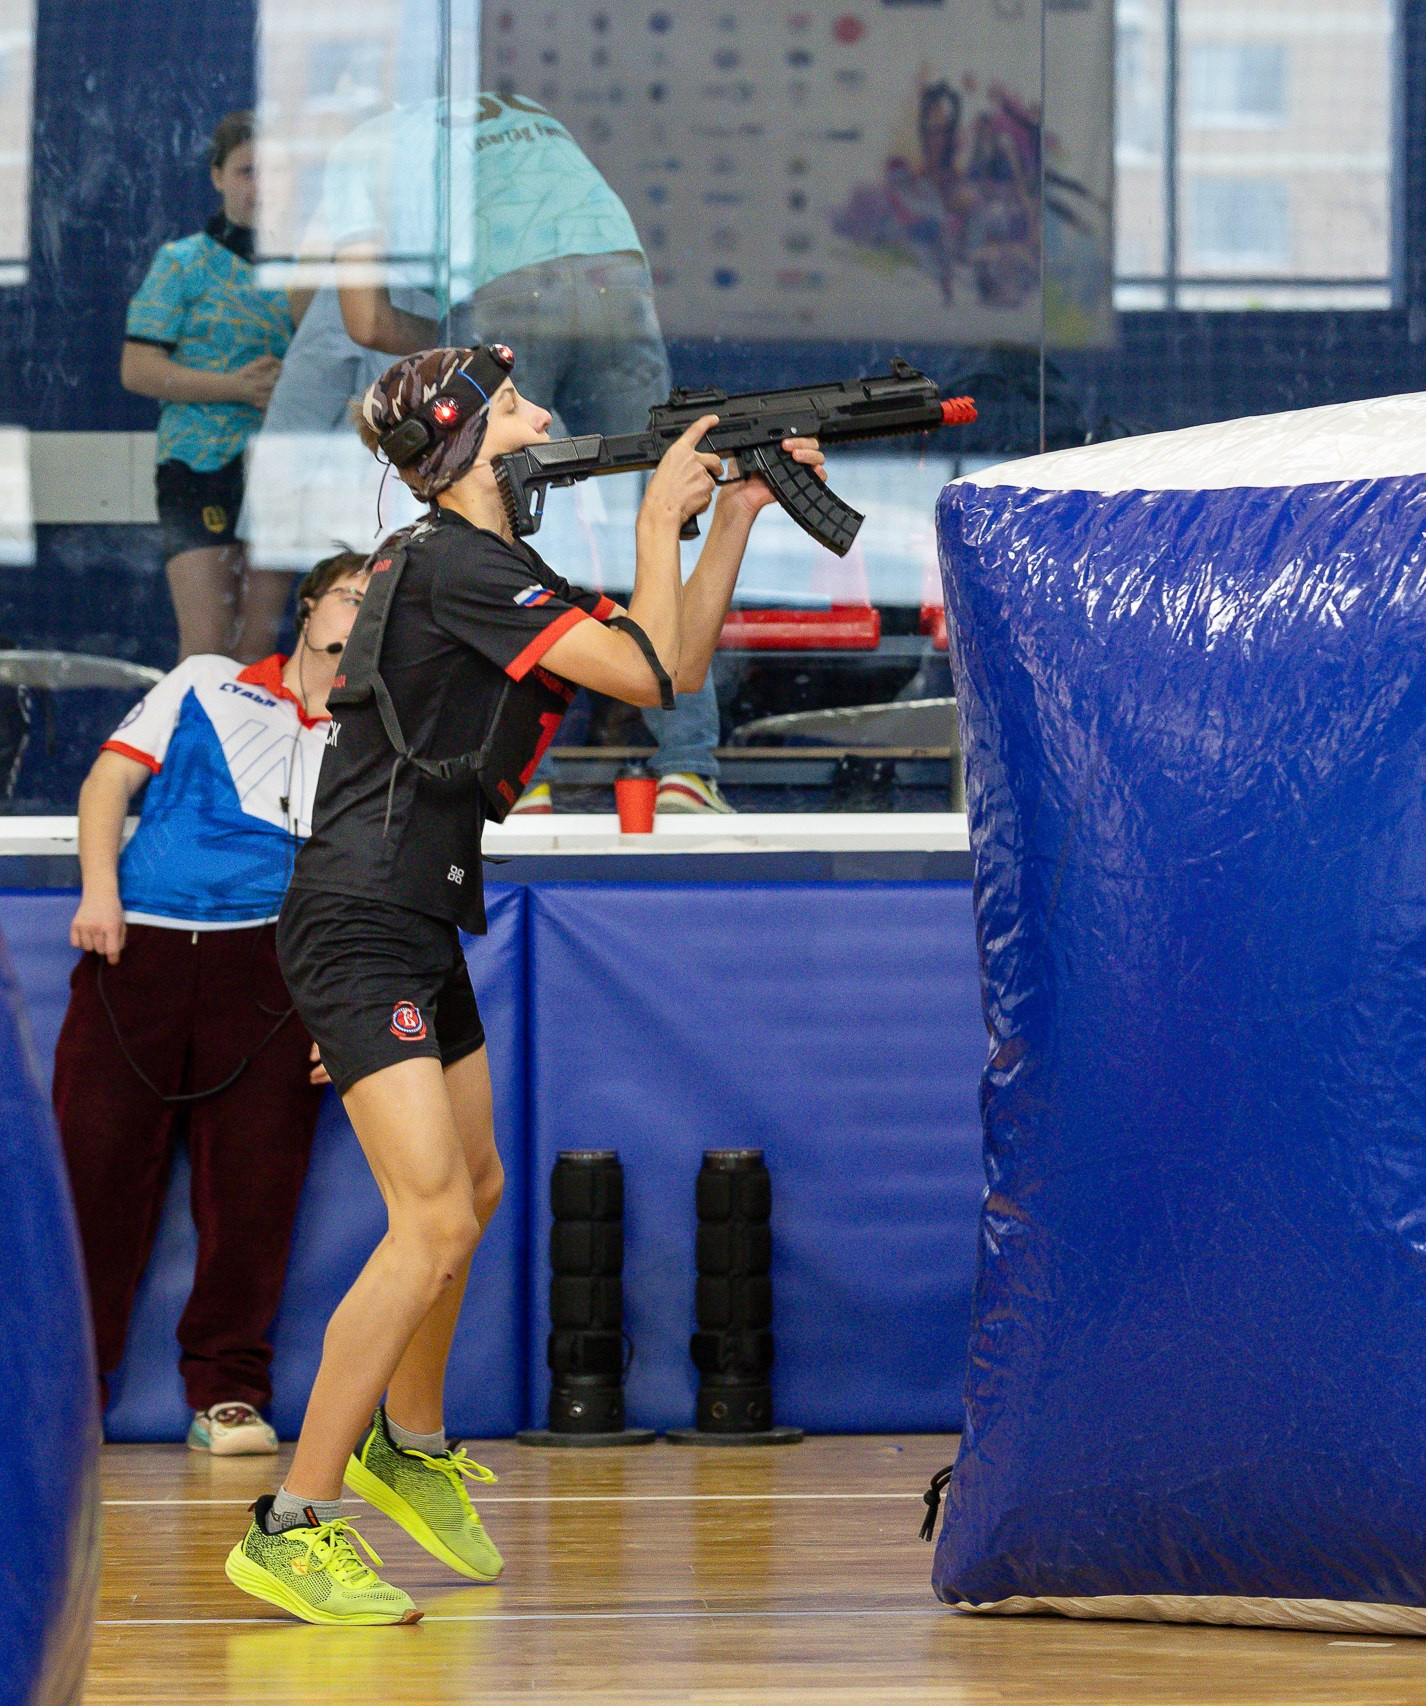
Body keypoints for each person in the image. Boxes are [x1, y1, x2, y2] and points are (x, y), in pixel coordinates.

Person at [219, 342, 822, 1626]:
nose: (543, 415)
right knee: (430, 1220)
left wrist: (731, 520)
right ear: (469, 442)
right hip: (362, 915)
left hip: (416, 915)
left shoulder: (493, 571)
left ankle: (410, 1439)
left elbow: (678, 670)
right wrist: (663, 512)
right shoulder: (457, 562)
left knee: (476, 1186)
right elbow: (649, 668)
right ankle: (293, 1520)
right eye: (513, 404)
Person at [315, 90, 730, 815]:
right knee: (668, 500)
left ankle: (521, 775)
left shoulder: (356, 145)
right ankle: (688, 770)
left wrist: (472, 353)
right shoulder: (513, 102)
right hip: (617, 274)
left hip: (508, 286)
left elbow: (367, 319)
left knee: (506, 526)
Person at [54, 554, 367, 1455]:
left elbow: (363, 886)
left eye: (378, 603)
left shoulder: (369, 738)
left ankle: (228, 1393)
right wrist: (99, 892)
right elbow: (109, 781)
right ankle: (67, 1393)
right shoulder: (205, 680)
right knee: (96, 1184)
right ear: (309, 605)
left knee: (255, 1199)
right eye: (351, 592)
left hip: (271, 970)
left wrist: (336, 1011)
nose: (361, 609)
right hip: (138, 947)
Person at [121, 111, 295, 661]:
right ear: (217, 176)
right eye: (246, 172)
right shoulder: (180, 263)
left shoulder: (306, 272)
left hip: (279, 468)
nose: (260, 187)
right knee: (205, 650)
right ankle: (186, 752)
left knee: (259, 647)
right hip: (198, 467)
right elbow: (137, 368)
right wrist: (235, 388)